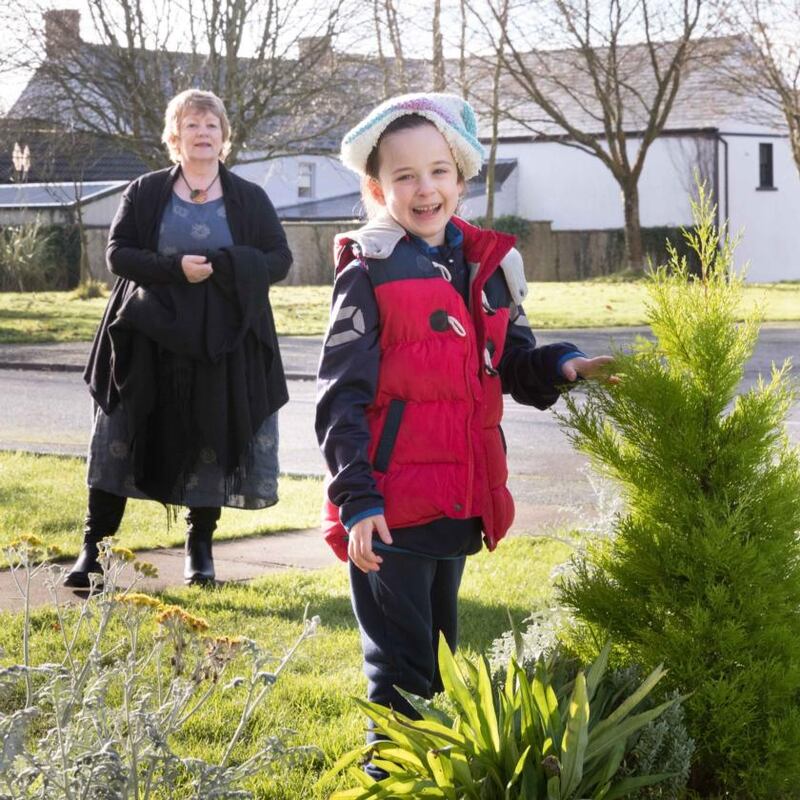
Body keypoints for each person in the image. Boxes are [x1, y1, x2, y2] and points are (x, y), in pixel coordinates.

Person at [315, 93, 615, 774]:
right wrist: (358, 499)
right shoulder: (368, 268)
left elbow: (512, 361)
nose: (425, 189)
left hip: (457, 499)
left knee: (441, 667)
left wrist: (561, 365)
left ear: (462, 176)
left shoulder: (488, 265)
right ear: (375, 187)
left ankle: (431, 779)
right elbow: (340, 397)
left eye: (439, 171)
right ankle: (389, 781)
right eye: (405, 176)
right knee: (401, 673)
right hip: (389, 512)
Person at [64, 89, 292, 588]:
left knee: (209, 436)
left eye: (212, 125)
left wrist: (228, 265)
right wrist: (174, 269)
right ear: (175, 136)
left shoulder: (249, 198)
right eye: (192, 125)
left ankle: (200, 550)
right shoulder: (144, 191)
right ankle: (93, 550)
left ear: (224, 137)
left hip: (219, 344)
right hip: (145, 336)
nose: (203, 133)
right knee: (118, 433)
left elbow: (279, 259)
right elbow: (118, 255)